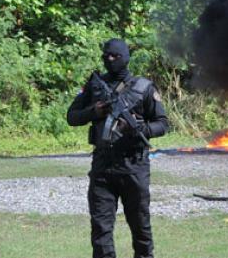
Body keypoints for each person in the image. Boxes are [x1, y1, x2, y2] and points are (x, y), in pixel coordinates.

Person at [67, 38, 170, 258]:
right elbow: (72, 117)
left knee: (141, 228)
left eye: (115, 56)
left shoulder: (143, 87)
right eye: (106, 56)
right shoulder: (94, 85)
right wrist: (93, 112)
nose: (110, 60)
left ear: (125, 57)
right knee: (101, 232)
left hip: (134, 165)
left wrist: (139, 128)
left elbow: (163, 124)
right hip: (103, 166)